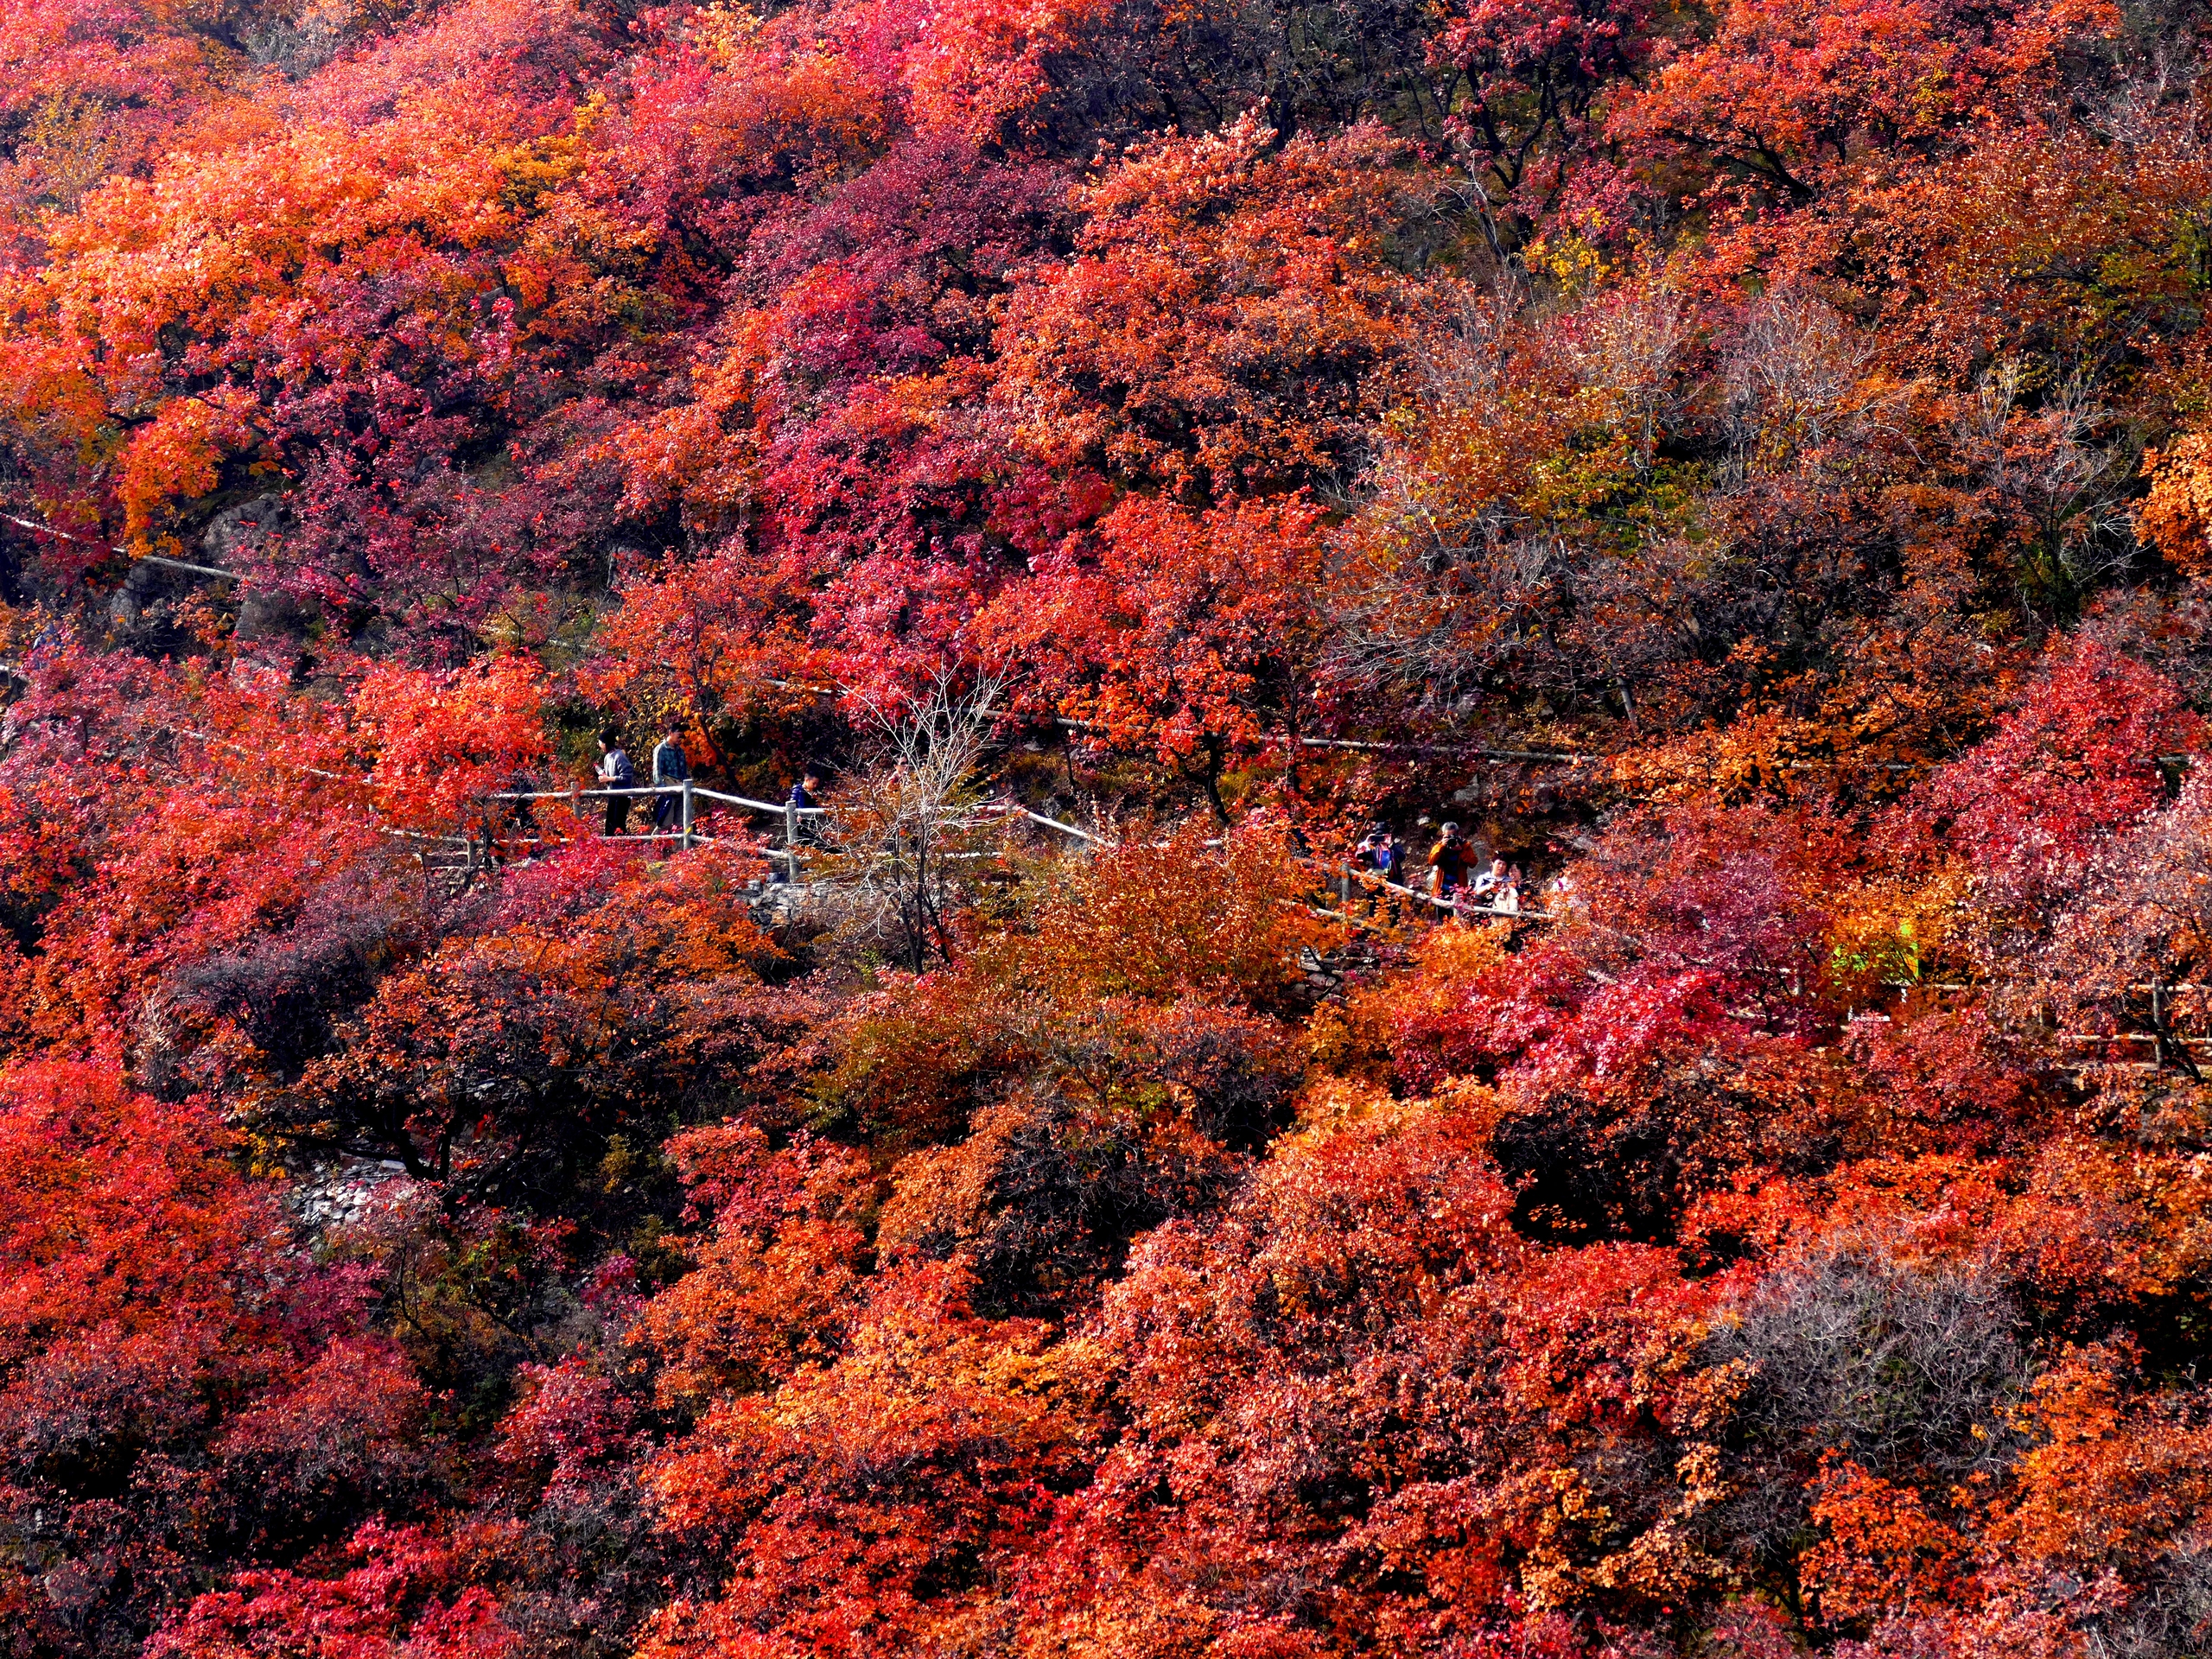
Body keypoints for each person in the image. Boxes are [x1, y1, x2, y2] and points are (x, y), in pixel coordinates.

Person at [652, 727, 690, 833]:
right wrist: (662, 789)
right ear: (670, 733)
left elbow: (684, 771)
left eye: (682, 737)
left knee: (681, 822)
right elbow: (657, 771)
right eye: (679, 736)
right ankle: (654, 844)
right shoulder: (661, 749)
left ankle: (678, 848)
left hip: (681, 787)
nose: (680, 739)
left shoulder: (680, 752)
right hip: (667, 787)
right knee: (665, 822)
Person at [596, 729, 634, 836]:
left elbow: (627, 777)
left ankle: (622, 848)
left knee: (619, 824)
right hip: (612, 794)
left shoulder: (619, 756)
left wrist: (609, 778)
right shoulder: (607, 757)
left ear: (605, 743)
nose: (599, 745)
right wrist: (604, 778)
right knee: (610, 824)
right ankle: (610, 848)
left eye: (600, 742)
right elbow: (610, 778)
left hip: (623, 795)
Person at [1427, 822, 1471, 905]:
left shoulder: (1465, 846)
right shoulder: (1440, 846)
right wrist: (1441, 847)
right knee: (1441, 915)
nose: (1451, 838)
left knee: (1458, 914)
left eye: (1453, 835)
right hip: (1441, 889)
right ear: (1443, 835)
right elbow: (1431, 861)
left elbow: (1473, 863)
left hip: (1459, 889)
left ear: (1458, 833)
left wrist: (1461, 851)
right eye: (1448, 836)